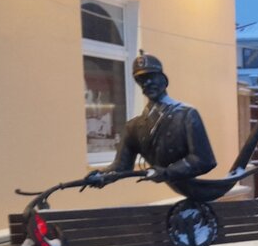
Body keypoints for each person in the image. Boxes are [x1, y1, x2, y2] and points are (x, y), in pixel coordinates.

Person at [85, 52, 216, 193]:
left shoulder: (186, 115)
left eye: (151, 77)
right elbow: (121, 167)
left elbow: (204, 160)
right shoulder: (133, 127)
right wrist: (101, 176)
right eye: (141, 80)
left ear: (164, 80)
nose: (147, 83)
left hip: (194, 189)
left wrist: (167, 172)